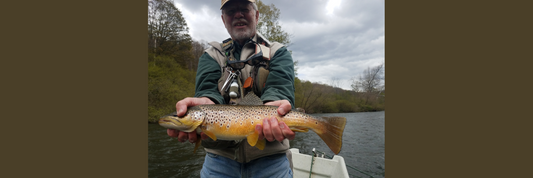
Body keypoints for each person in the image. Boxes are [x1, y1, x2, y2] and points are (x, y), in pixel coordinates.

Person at [166, 0, 296, 177]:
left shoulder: (278, 52)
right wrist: (206, 101)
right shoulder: (211, 55)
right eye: (231, 11)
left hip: (271, 159)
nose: (238, 15)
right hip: (219, 160)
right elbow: (208, 92)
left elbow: (280, 89)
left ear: (256, 15)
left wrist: (275, 106)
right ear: (223, 19)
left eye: (244, 9)